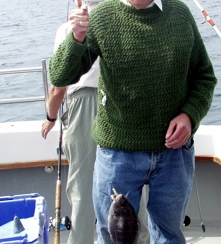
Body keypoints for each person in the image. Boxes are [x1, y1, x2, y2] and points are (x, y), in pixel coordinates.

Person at [49, 0, 217, 242]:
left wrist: (189, 115)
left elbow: (205, 76)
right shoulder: (102, 17)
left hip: (174, 154)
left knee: (169, 235)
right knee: (112, 237)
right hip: (117, 156)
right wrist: (77, 38)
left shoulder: (179, 13)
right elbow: (60, 76)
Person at [41, 1, 150, 243]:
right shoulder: (126, 19)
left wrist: (51, 117)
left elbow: (58, 88)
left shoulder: (68, 30)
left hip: (84, 105)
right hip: (124, 104)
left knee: (83, 188)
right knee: (133, 185)